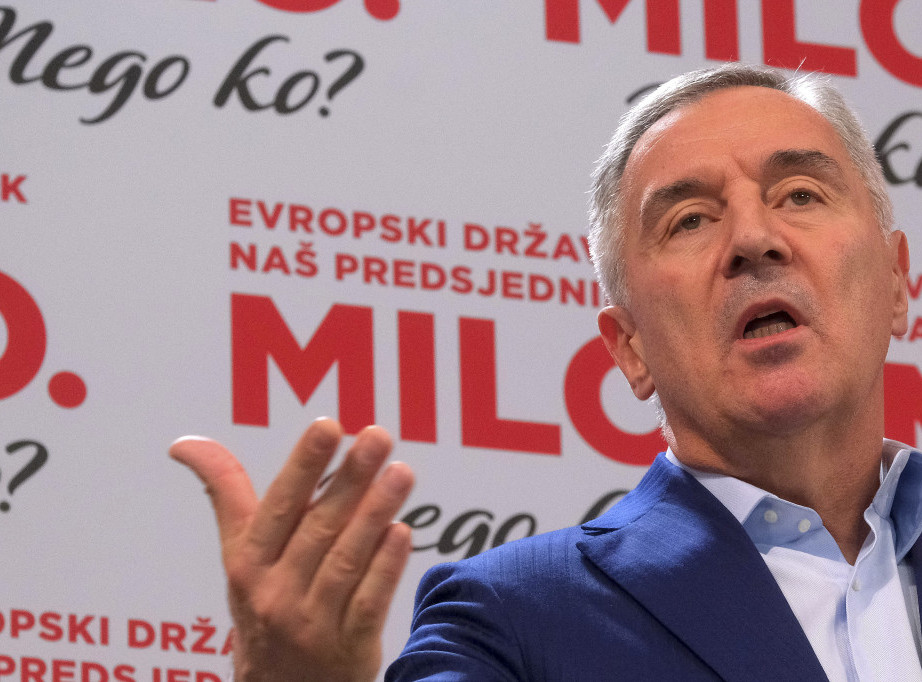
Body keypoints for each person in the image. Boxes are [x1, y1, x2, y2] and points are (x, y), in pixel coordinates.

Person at [170, 62, 920, 680]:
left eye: (800, 195)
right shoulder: (512, 623)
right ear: (629, 349)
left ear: (895, 283)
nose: (754, 238)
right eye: (689, 220)